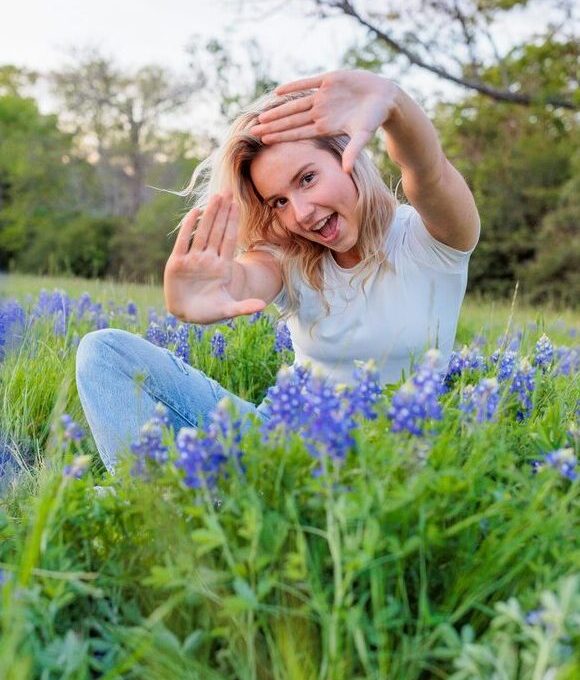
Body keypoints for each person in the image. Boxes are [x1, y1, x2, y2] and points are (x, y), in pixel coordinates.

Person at [76, 69, 480, 473]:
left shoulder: (431, 241)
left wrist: (394, 104)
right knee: (103, 351)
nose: (301, 214)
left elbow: (430, 173)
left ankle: (202, 502)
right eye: (279, 202)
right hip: (278, 440)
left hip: (376, 463)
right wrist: (219, 286)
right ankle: (152, 511)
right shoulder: (290, 254)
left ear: (348, 155)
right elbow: (249, 277)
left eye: (307, 178)